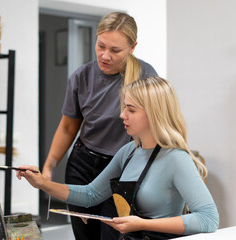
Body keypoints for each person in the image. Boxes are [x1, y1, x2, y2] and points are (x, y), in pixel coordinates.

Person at [17, 77, 219, 239]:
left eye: (131, 109)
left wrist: (141, 224)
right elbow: (90, 195)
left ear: (154, 114)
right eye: (124, 107)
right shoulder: (129, 151)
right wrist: (42, 183)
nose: (122, 115)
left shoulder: (176, 159)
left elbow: (209, 219)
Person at [42, 12, 158, 240]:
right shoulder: (81, 77)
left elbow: (157, 128)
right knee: (85, 236)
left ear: (132, 47)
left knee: (113, 235)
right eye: (100, 46)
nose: (105, 56)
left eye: (115, 50)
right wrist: (49, 166)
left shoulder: (146, 77)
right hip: (82, 166)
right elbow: (67, 128)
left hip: (123, 170)